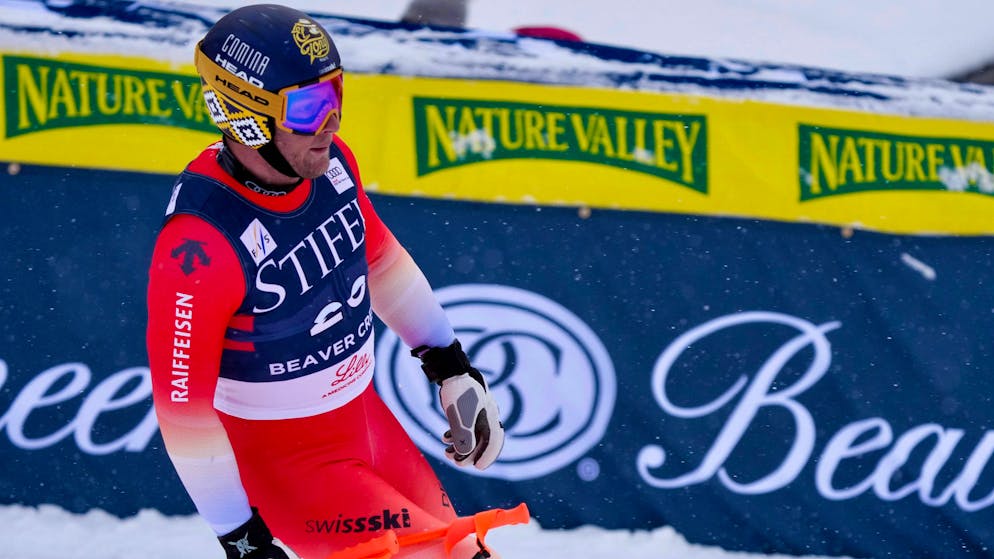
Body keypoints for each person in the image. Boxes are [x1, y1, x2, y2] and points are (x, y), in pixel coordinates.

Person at [145, 5, 505, 558]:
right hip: (294, 470)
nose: (332, 123)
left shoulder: (331, 164)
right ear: (247, 115)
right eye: (311, 108)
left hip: (367, 425)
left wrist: (450, 365)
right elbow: (182, 413)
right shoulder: (200, 245)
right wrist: (242, 540)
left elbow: (382, 262)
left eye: (336, 96)